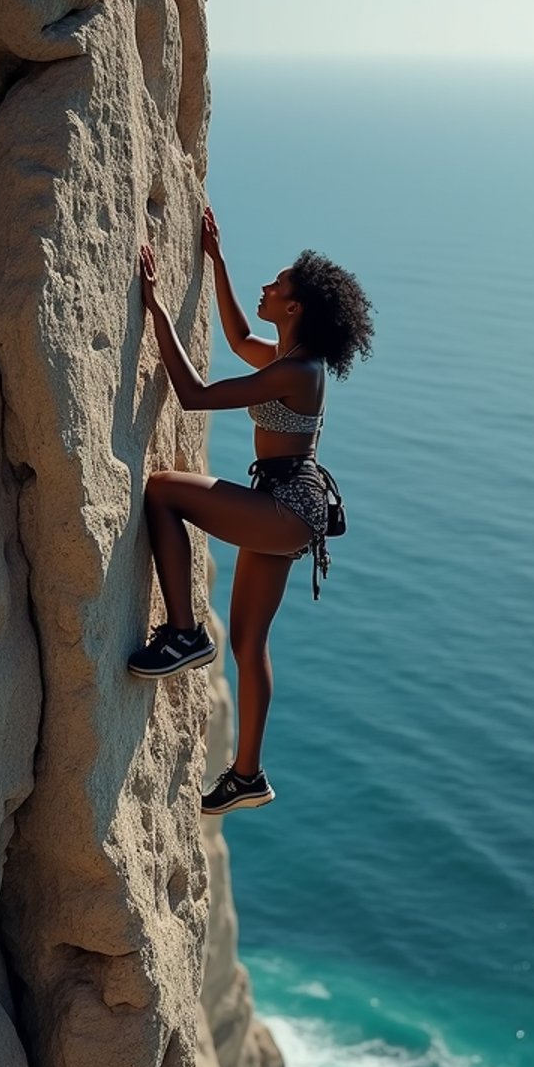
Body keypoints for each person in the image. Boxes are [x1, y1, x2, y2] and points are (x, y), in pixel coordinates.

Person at [127, 207, 373, 815]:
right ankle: (247, 776)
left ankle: (184, 633)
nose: (267, 289)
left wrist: (154, 308)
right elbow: (237, 339)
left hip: (284, 507)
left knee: (161, 489)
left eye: (276, 285)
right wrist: (216, 260)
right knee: (247, 640)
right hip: (290, 507)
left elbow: (193, 397)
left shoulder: (295, 372)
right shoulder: (288, 359)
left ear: (295, 309)